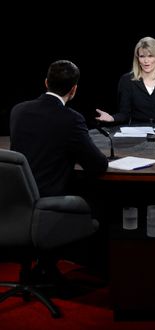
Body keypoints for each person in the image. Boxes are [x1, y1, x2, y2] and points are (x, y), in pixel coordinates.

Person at [10, 59, 109, 283]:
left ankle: (45, 264)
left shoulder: (18, 111)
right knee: (97, 198)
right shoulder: (71, 119)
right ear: (74, 90)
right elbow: (98, 166)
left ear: (46, 82)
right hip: (47, 202)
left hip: (15, 201)